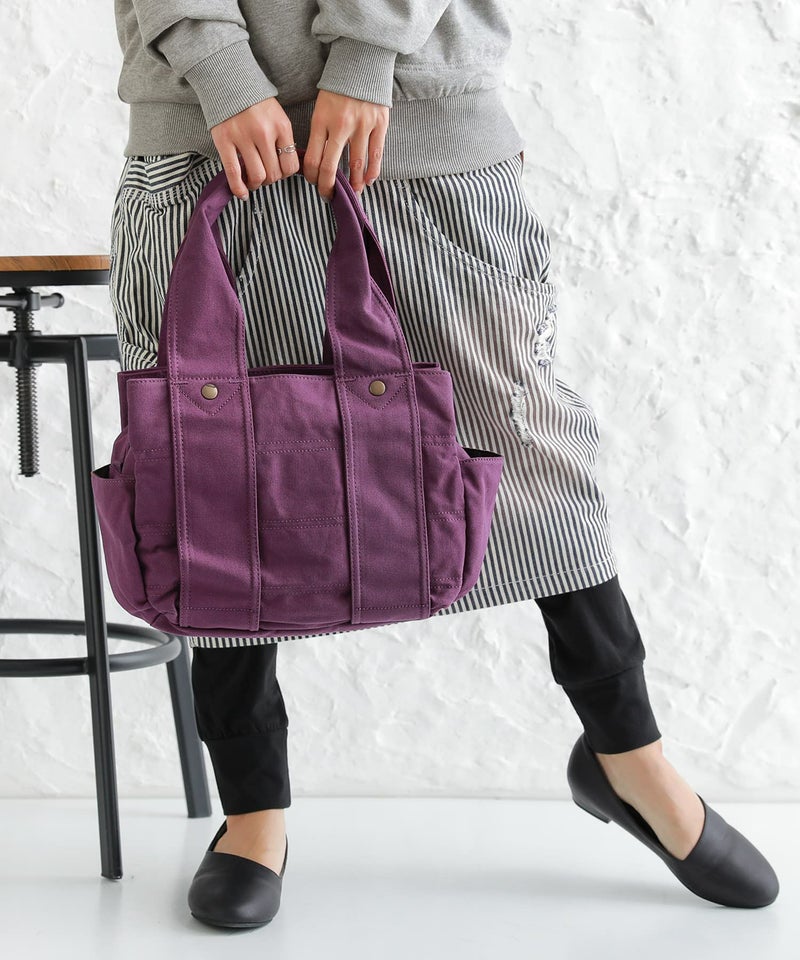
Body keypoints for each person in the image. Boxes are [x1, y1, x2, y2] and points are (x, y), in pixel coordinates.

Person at [110, 0, 779, 928]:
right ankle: (253, 809)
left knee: (529, 451)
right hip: (206, 138)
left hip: (421, 128)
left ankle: (629, 756)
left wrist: (366, 53)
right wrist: (218, 66)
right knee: (216, 480)